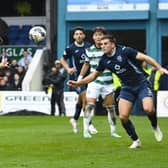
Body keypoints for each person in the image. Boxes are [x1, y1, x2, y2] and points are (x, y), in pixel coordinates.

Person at [68, 34, 168, 149]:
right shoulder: (104, 60)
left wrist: (159, 68)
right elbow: (94, 75)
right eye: (101, 45)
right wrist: (78, 83)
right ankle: (136, 140)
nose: (103, 46)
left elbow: (145, 58)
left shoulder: (125, 51)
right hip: (126, 88)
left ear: (112, 44)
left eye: (105, 44)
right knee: (123, 117)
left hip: (141, 83)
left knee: (148, 109)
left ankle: (154, 126)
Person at [78, 27, 121, 138]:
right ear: (93, 37)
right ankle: (86, 131)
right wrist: (80, 77)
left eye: (100, 35)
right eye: (96, 35)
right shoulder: (89, 50)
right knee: (90, 105)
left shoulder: (108, 49)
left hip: (108, 83)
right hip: (94, 82)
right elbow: (86, 64)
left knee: (111, 108)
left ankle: (113, 131)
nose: (98, 37)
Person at [60, 26, 97, 134]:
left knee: (81, 100)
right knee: (85, 98)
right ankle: (89, 124)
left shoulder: (89, 46)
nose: (79, 35)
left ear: (84, 36)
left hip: (89, 77)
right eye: (76, 34)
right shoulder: (70, 48)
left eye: (80, 33)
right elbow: (62, 59)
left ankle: (74, 119)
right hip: (77, 78)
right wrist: (68, 68)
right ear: (73, 36)